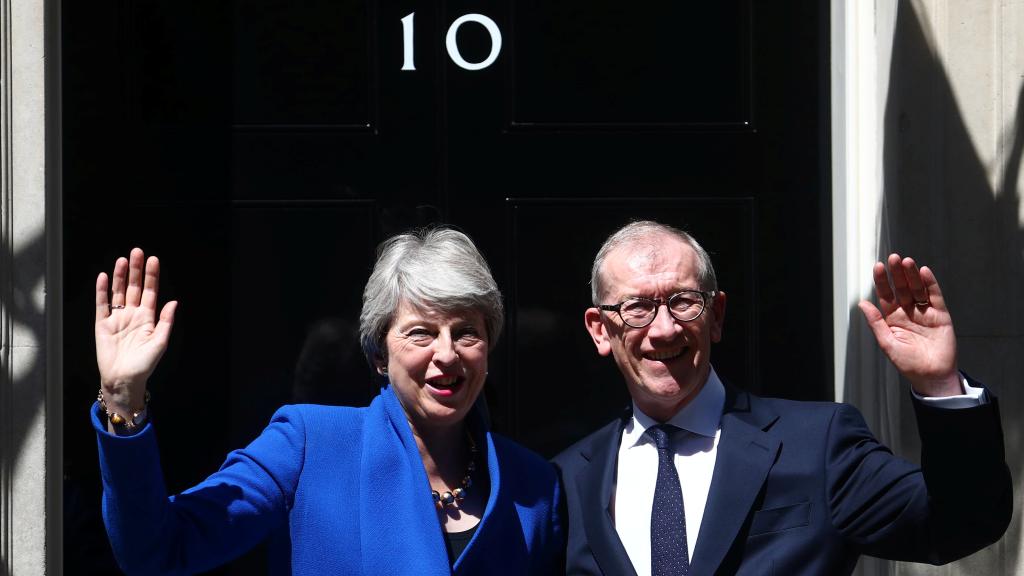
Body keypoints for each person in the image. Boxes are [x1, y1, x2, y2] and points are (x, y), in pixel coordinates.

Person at [92, 228, 563, 575]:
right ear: (380, 354)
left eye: (466, 333)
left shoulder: (533, 483)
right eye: (420, 332)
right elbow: (156, 550)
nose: (446, 354)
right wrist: (122, 398)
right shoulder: (309, 444)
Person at [553, 220, 1011, 575]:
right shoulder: (566, 481)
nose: (665, 328)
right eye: (637, 308)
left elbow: (961, 524)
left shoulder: (817, 444)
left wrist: (939, 384)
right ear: (600, 329)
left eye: (683, 301)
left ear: (716, 316)